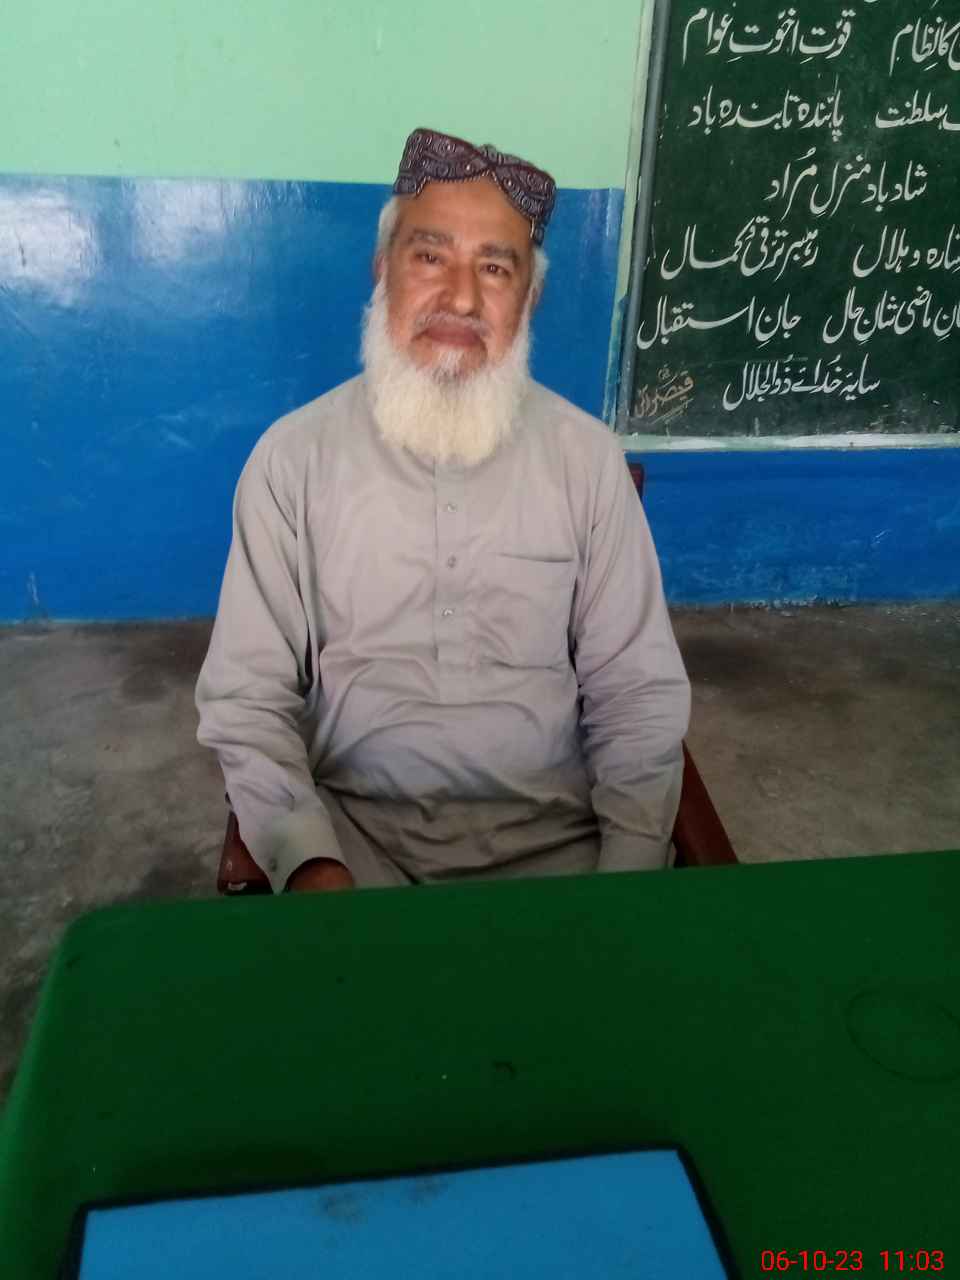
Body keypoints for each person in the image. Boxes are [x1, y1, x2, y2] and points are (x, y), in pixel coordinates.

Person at [195, 126, 691, 895]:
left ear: (529, 299)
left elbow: (637, 691)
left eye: (495, 268)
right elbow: (247, 697)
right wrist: (311, 863)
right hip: (355, 853)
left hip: (564, 856)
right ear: (382, 270)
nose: (461, 298)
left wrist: (621, 886)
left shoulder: (586, 460)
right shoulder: (292, 460)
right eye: (431, 257)